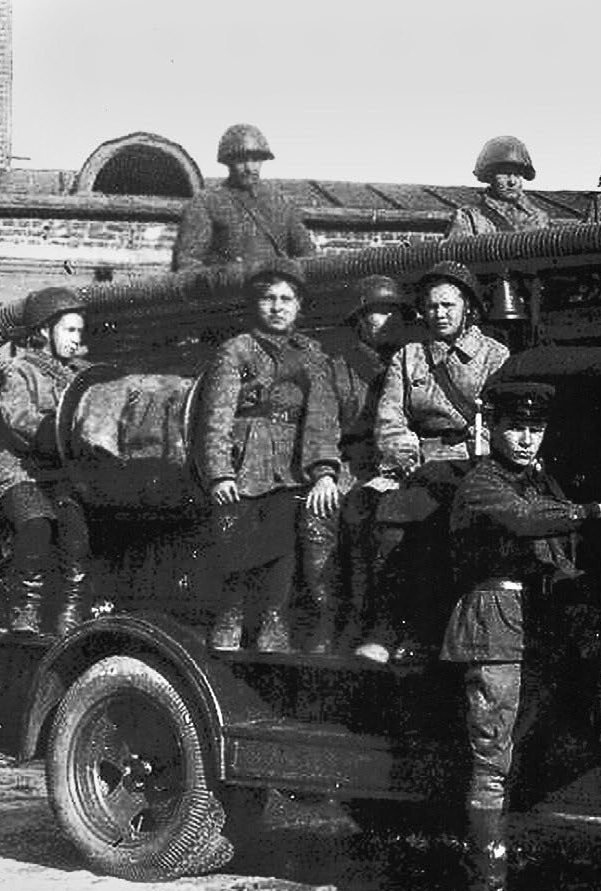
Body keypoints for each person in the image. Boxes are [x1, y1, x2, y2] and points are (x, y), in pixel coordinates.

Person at [441, 379, 601, 891]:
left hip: (531, 623)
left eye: (536, 429)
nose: (527, 438)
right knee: (491, 758)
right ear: (493, 428)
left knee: (515, 752)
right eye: (516, 427)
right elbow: (528, 522)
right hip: (492, 624)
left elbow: (562, 541)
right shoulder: (484, 483)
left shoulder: (539, 480)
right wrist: (598, 506)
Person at [357, 261, 510, 662]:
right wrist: (405, 458)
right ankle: (387, 626)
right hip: (415, 463)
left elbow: (502, 420)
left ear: (467, 309)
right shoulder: (409, 356)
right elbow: (390, 418)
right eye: (431, 306)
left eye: (448, 305)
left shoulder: (495, 355)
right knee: (386, 520)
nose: (439, 314)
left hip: (472, 463)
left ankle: (430, 631)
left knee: (438, 524)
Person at [196, 258, 340, 651]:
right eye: (269, 299)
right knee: (236, 540)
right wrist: (219, 472)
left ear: (299, 306)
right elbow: (217, 415)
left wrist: (324, 470)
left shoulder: (312, 354)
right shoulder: (237, 350)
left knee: (282, 545)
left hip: (291, 463)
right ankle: (230, 614)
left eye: (286, 299)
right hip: (246, 460)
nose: (278, 307)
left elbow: (322, 416)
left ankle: (274, 620)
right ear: (255, 304)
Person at [297, 275, 410, 652]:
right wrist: (324, 475)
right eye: (377, 311)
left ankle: (376, 622)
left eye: (393, 310)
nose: (386, 319)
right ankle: (328, 616)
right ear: (359, 319)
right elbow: (320, 423)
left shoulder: (412, 362)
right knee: (320, 515)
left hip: (397, 464)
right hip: (349, 463)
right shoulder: (334, 368)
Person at [0, 287, 94, 636]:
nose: (76, 339)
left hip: (60, 474)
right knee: (36, 527)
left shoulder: (80, 376)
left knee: (76, 535)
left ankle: (69, 614)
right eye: (69, 330)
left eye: (80, 331)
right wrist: (62, 434)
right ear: (45, 331)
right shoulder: (18, 371)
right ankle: (25, 609)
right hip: (20, 473)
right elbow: (19, 420)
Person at [172, 124, 316, 272]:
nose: (249, 168)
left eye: (255, 160)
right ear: (228, 161)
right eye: (241, 160)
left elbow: (307, 257)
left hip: (274, 291)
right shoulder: (206, 203)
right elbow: (187, 264)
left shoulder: (282, 203)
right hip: (229, 292)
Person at [445, 136, 551, 239]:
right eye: (504, 173)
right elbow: (454, 254)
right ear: (489, 175)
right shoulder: (469, 218)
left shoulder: (539, 218)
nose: (512, 181)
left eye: (517, 174)